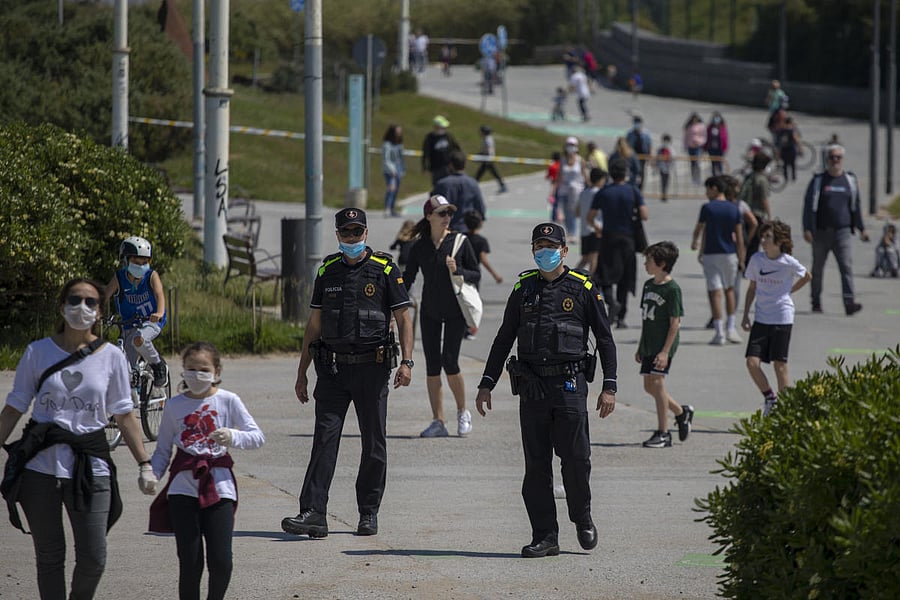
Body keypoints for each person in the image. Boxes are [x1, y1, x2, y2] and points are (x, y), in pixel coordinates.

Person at [0, 278, 156, 600]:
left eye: (90, 302)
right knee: (49, 557)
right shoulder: (37, 352)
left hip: (91, 467)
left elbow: (124, 413)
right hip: (40, 469)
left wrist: (144, 463)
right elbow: (15, 407)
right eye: (74, 300)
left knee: (93, 557)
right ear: (62, 306)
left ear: (99, 312)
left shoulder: (112, 356)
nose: (81, 308)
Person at [475, 222, 618, 558]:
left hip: (570, 385)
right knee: (536, 466)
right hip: (533, 388)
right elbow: (503, 338)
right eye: (539, 246)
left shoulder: (582, 287)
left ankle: (582, 517)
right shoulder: (524, 288)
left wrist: (609, 386)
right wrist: (487, 383)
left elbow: (606, 339)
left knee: (576, 460)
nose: (545, 252)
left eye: (551, 246)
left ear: (565, 251)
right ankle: (545, 536)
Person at [281, 208, 414, 538]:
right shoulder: (328, 270)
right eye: (346, 233)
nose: (352, 238)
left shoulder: (384, 269)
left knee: (374, 444)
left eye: (357, 232)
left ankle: (368, 512)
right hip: (333, 370)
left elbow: (403, 319)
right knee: (324, 441)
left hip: (372, 369)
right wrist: (302, 372)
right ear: (338, 235)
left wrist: (407, 362)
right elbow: (313, 325)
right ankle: (313, 512)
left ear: (366, 233)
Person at [148, 341, 265, 600]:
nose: (197, 375)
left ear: (217, 371)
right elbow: (163, 451)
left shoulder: (228, 400)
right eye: (191, 369)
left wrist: (232, 436)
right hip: (182, 488)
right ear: (183, 371)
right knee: (190, 563)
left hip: (219, 486)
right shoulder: (173, 405)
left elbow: (257, 437)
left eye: (203, 369)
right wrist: (152, 474)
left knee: (221, 561)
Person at [403, 196, 480, 437]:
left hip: (455, 310)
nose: (447, 217)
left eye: (449, 213)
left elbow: (476, 274)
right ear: (429, 216)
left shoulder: (460, 242)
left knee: (450, 361)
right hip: (430, 311)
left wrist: (458, 270)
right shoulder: (420, 246)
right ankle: (438, 421)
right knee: (433, 365)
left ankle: (462, 412)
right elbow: (408, 277)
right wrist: (394, 298)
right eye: (442, 213)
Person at [741, 221, 811, 416]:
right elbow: (752, 288)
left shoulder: (788, 262)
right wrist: (746, 314)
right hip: (761, 318)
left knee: (780, 366)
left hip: (782, 317)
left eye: (768, 238)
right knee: (752, 363)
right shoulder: (756, 260)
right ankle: (770, 398)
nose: (763, 241)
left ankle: (786, 411)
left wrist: (790, 291)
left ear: (779, 241)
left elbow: (807, 276)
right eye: (762, 237)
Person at [635, 241, 693, 448]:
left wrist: (665, 351)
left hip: (663, 345)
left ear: (661, 264)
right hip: (649, 343)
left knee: (658, 383)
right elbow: (645, 318)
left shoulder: (672, 289)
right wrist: (641, 346)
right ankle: (681, 411)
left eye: (648, 260)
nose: (645, 264)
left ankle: (663, 433)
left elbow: (675, 323)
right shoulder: (648, 285)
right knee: (649, 386)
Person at [802, 144, 869, 315]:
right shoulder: (818, 181)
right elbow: (808, 205)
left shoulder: (849, 181)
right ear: (827, 160)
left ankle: (849, 302)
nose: (835, 160)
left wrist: (861, 228)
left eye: (838, 157)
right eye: (832, 157)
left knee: (846, 267)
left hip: (842, 232)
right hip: (821, 232)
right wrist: (807, 228)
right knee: (817, 269)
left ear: (842, 159)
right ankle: (816, 301)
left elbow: (856, 205)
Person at [588, 157, 647, 329]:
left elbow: (590, 217)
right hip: (628, 238)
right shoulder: (633, 191)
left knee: (604, 275)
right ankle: (621, 318)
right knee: (625, 278)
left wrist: (598, 228)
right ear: (626, 174)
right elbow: (644, 215)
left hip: (608, 237)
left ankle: (612, 303)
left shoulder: (604, 192)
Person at [103, 235, 168, 388]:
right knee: (126, 369)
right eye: (136, 262)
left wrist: (159, 313)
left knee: (139, 339)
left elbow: (159, 294)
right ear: (125, 260)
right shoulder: (119, 277)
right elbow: (105, 295)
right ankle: (132, 399)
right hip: (128, 323)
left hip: (150, 321)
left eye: (144, 262)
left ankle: (158, 365)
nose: (140, 266)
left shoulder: (151, 276)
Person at [691, 176, 745, 345]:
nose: (706, 193)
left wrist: (696, 244)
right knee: (730, 289)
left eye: (707, 189)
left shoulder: (707, 208)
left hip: (711, 254)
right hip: (729, 254)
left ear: (715, 188)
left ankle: (719, 331)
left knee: (715, 292)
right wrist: (741, 257)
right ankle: (731, 327)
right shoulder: (734, 208)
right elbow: (739, 236)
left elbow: (700, 229)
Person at [433, 150, 487, 234]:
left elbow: (434, 207)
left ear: (451, 165)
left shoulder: (442, 184)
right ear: (464, 165)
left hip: (447, 229)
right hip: (467, 228)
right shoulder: (472, 183)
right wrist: (481, 219)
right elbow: (479, 205)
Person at [553, 137, 588, 239]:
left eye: (572, 145)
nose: (570, 147)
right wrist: (555, 189)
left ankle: (572, 232)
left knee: (573, 211)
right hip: (564, 189)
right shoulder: (562, 160)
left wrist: (589, 186)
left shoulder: (580, 160)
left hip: (576, 190)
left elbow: (585, 175)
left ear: (576, 147)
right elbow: (559, 175)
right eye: (569, 145)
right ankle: (569, 232)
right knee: (566, 212)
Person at [738, 152, 772, 257]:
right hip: (757, 214)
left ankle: (742, 261)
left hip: (745, 212)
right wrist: (769, 215)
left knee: (745, 239)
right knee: (754, 244)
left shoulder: (749, 176)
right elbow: (764, 199)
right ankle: (748, 265)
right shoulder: (762, 179)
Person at [575, 167, 606, 275]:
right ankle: (592, 281)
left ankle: (572, 276)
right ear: (600, 180)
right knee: (594, 258)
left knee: (585, 258)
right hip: (595, 228)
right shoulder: (600, 193)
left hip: (584, 230)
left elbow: (577, 212)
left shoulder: (584, 193)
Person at [464, 211, 504, 286]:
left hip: (460, 272)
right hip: (474, 274)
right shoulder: (481, 241)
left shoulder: (461, 237)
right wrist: (495, 275)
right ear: (480, 223)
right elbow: (483, 260)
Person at [421, 115, 461, 186]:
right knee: (438, 186)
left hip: (449, 167)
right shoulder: (429, 138)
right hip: (436, 168)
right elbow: (425, 153)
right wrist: (424, 167)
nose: (444, 129)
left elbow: (457, 148)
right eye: (442, 127)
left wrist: (457, 162)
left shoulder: (448, 136)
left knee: (450, 185)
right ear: (436, 127)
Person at [474, 125, 507, 194]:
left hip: (488, 159)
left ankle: (472, 186)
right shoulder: (486, 139)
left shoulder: (488, 140)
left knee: (480, 174)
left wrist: (484, 157)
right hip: (487, 159)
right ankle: (502, 185)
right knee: (491, 173)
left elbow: (489, 150)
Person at [382, 124, 405, 217]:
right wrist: (392, 170)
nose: (399, 134)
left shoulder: (399, 144)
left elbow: (401, 157)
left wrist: (403, 169)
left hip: (399, 168)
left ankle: (392, 209)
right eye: (397, 132)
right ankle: (387, 208)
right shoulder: (387, 144)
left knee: (396, 190)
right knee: (391, 189)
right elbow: (386, 159)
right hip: (390, 170)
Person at [625, 115, 652, 189]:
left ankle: (640, 188)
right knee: (633, 171)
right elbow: (627, 145)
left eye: (638, 123)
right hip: (632, 156)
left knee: (642, 172)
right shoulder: (630, 134)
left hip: (643, 156)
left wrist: (649, 155)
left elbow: (649, 145)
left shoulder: (646, 134)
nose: (637, 124)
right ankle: (632, 186)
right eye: (635, 123)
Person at [683, 112, 707, 185]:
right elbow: (686, 137)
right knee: (692, 164)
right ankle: (693, 178)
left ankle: (698, 178)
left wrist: (699, 142)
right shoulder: (689, 126)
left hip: (698, 147)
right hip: (691, 147)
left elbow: (704, 136)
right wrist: (685, 145)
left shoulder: (701, 126)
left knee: (697, 163)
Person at [774, 116, 800, 182]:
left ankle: (786, 178)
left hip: (783, 150)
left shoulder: (781, 130)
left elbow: (778, 141)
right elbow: (796, 139)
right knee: (792, 164)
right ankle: (793, 177)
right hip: (791, 149)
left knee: (785, 164)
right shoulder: (791, 130)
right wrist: (800, 148)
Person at [705, 111, 728, 177]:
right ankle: (714, 176)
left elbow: (725, 138)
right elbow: (707, 137)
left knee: (719, 163)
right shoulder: (710, 128)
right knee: (713, 164)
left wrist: (724, 147)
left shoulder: (722, 128)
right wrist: (705, 147)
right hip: (711, 148)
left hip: (719, 148)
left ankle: (720, 176)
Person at [655, 134, 673, 202]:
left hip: (668, 168)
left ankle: (665, 193)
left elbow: (673, 158)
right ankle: (663, 193)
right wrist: (656, 165)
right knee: (663, 181)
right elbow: (657, 157)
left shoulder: (671, 149)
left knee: (667, 181)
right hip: (662, 168)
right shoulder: (660, 149)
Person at [546, 151, 562, 221]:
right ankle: (560, 216)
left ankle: (554, 217)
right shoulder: (562, 166)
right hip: (562, 185)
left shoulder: (552, 166)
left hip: (554, 185)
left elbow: (548, 176)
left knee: (554, 202)